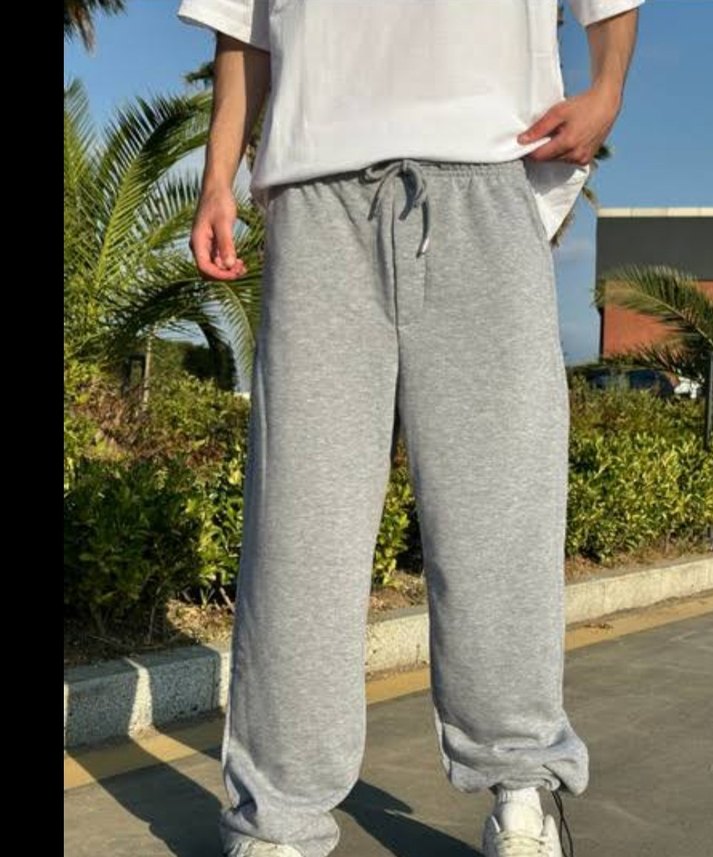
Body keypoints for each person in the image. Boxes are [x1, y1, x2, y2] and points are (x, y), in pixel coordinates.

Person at [177, 2, 643, 855]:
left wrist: (608, 89)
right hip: (317, 185)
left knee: (499, 510)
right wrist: (218, 174)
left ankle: (524, 783)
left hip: (486, 170)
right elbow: (244, 21)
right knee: (301, 525)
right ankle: (277, 816)